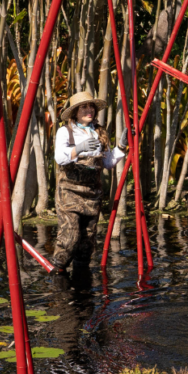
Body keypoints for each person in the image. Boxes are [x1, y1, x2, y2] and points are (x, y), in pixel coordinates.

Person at [53, 91, 127, 274]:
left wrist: (122, 147)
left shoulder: (99, 132)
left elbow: (108, 162)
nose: (89, 110)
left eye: (91, 106)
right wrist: (79, 149)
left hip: (93, 194)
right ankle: (57, 274)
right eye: (84, 107)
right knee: (70, 237)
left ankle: (81, 287)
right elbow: (60, 158)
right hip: (69, 192)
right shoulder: (65, 131)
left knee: (87, 243)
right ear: (75, 112)